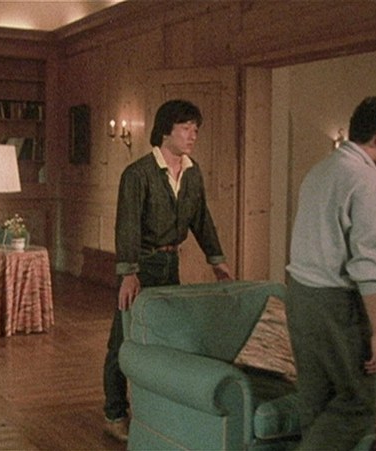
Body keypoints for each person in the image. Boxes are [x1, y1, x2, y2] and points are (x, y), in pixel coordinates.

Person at [102, 99, 234, 441]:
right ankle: (115, 413)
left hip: (170, 262)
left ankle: (157, 411)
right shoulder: (138, 174)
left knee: (164, 341)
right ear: (165, 131)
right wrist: (129, 273)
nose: (192, 135)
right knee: (124, 340)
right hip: (140, 265)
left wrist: (216, 260)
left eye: (195, 129)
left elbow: (201, 219)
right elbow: (127, 226)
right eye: (185, 128)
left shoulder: (192, 172)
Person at [285, 96, 376, 450]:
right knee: (357, 403)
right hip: (334, 303)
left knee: (315, 398)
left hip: (300, 295)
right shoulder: (367, 181)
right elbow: (366, 265)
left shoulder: (321, 170)